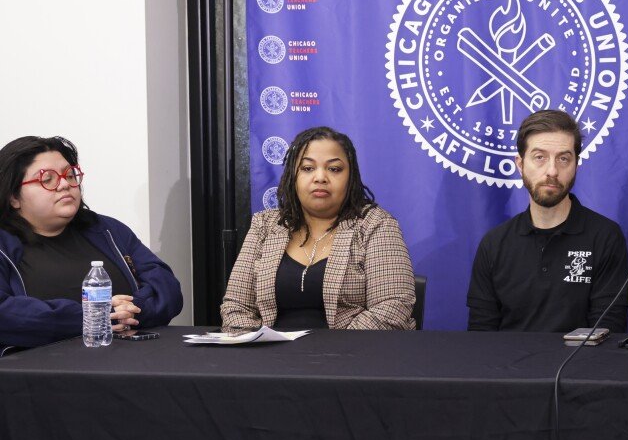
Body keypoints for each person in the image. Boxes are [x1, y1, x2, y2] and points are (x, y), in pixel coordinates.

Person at [0, 136, 184, 352]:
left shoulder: (107, 230)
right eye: (47, 179)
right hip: (37, 368)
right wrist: (94, 317)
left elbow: (167, 290)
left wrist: (132, 310)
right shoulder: (4, 244)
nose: (64, 184)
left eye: (70, 175)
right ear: (13, 197)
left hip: (131, 361)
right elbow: (6, 314)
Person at [221, 127, 415, 332]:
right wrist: (256, 345)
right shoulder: (265, 225)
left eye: (334, 169)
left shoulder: (376, 224)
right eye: (307, 168)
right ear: (293, 176)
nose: (320, 177)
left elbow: (392, 308)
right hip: (272, 350)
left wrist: (335, 348)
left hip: (351, 349)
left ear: (351, 177)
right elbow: (237, 307)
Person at [467, 110, 628, 332]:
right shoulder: (494, 244)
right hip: (506, 356)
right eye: (540, 157)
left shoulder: (605, 237)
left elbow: (606, 331)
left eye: (563, 159)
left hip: (580, 356)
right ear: (520, 164)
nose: (552, 171)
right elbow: (480, 335)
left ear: (576, 165)